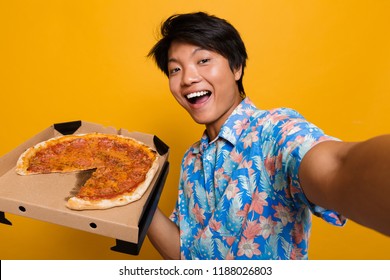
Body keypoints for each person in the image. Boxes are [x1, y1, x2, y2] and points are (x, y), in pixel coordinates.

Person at [146, 12, 390, 260]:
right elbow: (186, 254)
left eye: (203, 60)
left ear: (237, 67)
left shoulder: (273, 130)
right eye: (175, 69)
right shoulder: (191, 159)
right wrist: (140, 194)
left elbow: (339, 166)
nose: (188, 78)